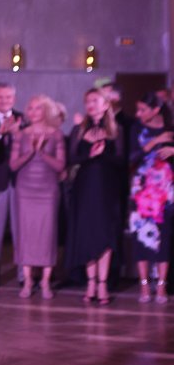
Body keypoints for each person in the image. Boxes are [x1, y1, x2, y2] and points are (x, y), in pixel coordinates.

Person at [66, 88, 125, 305]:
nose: (90, 105)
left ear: (105, 104)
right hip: (85, 187)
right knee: (87, 233)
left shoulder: (116, 129)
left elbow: (121, 160)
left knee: (105, 234)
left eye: (95, 100)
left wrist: (104, 152)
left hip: (107, 188)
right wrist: (89, 153)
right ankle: (90, 282)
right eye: (87, 101)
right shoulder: (79, 129)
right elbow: (71, 158)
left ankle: (103, 284)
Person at [9, 95, 66, 299]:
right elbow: (13, 165)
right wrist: (31, 152)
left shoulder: (56, 134)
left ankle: (45, 282)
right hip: (25, 190)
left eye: (38, 108)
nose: (33, 112)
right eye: (30, 108)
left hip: (47, 191)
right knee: (26, 234)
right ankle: (28, 281)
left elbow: (60, 165)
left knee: (47, 235)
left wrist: (41, 153)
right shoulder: (21, 134)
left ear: (46, 111)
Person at [127, 91, 174, 304]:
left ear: (156, 110)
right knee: (141, 238)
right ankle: (144, 285)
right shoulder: (137, 129)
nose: (138, 114)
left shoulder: (170, 127)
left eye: (143, 110)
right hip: (142, 190)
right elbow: (131, 157)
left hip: (165, 191)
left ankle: (161, 286)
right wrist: (156, 140)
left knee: (164, 237)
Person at [0, 83, 22, 279]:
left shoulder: (23, 119)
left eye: (8, 97)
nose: (4, 101)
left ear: (14, 99)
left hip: (20, 182)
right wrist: (0, 133)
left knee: (20, 230)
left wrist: (17, 133)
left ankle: (23, 275)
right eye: (0, 97)